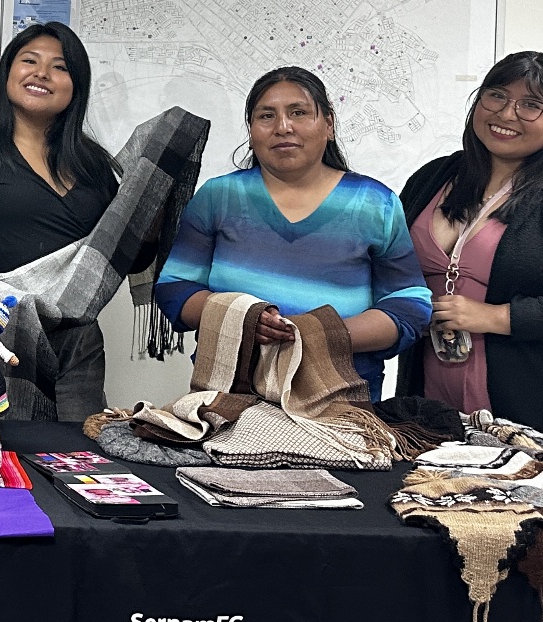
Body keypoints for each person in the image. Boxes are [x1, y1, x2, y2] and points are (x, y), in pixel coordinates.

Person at [156, 66, 431, 402]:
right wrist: (244, 320)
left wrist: (316, 334)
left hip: (341, 405)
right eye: (266, 116)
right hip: (228, 399)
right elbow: (175, 288)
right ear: (251, 130)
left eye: (298, 113)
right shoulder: (218, 197)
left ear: (328, 125)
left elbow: (408, 307)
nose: (283, 127)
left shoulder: (375, 203)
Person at [0, 22, 135, 421]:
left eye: (60, 67)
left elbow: (121, 256)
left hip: (78, 347)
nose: (42, 73)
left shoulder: (92, 164)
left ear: (76, 86)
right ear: (8, 71)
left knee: (80, 450)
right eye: (29, 61)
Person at [398, 52, 543, 424]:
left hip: (523, 405)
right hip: (425, 395)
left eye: (531, 105)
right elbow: (388, 264)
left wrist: (498, 317)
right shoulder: (434, 176)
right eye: (497, 95)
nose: (506, 114)